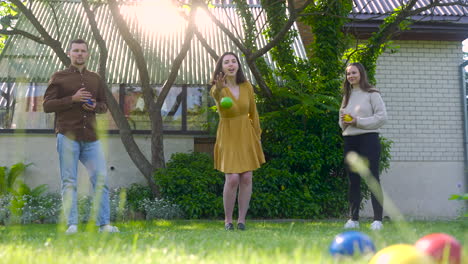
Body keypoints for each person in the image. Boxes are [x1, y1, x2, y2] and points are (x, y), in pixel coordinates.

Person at [43, 39, 119, 234]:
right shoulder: (58, 77)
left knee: (100, 179)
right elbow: (47, 105)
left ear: (88, 54)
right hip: (67, 135)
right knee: (69, 181)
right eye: (76, 51)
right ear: (69, 53)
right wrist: (72, 99)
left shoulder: (95, 79)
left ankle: (104, 225)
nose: (79, 54)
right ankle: (72, 225)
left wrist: (95, 106)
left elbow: (104, 105)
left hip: (91, 138)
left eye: (83, 51)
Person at [210, 52, 265, 231]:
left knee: (247, 176)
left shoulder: (247, 86)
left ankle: (241, 220)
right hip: (228, 134)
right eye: (226, 62)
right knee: (232, 178)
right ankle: (228, 220)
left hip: (246, 133)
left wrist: (257, 135)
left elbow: (253, 112)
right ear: (221, 67)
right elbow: (218, 98)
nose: (231, 64)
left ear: (238, 65)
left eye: (234, 61)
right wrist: (219, 89)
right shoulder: (216, 88)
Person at [339, 62, 387, 231]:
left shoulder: (372, 93)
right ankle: (353, 219)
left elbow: (381, 117)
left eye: (354, 73)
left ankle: (378, 220)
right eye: (348, 74)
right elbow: (341, 120)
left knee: (372, 178)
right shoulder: (347, 96)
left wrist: (357, 121)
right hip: (350, 140)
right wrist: (346, 122)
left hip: (369, 139)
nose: (350, 76)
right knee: (353, 181)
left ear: (361, 74)